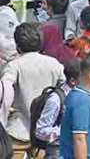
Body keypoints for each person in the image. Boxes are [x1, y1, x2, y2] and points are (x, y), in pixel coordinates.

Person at [1, 22, 65, 156]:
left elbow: (5, 90)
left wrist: (3, 117)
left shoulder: (14, 66)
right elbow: (66, 88)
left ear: (17, 46)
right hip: (45, 131)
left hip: (18, 129)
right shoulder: (54, 64)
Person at [34, 58, 80, 159]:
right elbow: (40, 130)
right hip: (58, 152)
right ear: (73, 81)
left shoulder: (84, 95)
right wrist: (66, 131)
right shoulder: (56, 99)